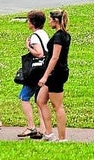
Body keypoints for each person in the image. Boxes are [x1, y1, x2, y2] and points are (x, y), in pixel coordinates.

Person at [36, 9, 71, 142]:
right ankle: (49, 133)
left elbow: (55, 58)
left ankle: (62, 138)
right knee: (40, 100)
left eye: (50, 19)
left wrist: (45, 75)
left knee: (58, 106)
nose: (49, 21)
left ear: (56, 21)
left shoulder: (59, 37)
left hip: (56, 73)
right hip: (55, 73)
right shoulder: (64, 35)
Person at [17, 10, 50, 139]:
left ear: (33, 23)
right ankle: (42, 129)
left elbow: (39, 53)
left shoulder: (35, 36)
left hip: (35, 71)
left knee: (24, 96)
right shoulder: (44, 34)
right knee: (39, 100)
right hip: (44, 69)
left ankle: (31, 126)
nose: (27, 23)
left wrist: (28, 47)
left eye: (28, 20)